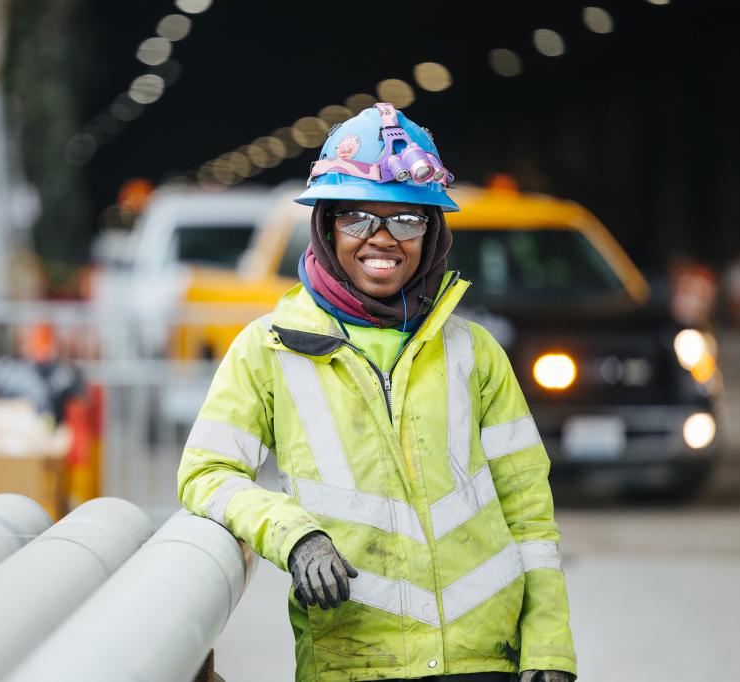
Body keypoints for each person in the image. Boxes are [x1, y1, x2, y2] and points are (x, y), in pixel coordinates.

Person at [178, 104, 577, 681]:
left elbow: (530, 519)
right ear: (326, 224)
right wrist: (296, 537)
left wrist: (548, 648)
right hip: (354, 661)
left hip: (483, 660)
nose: (382, 240)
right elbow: (206, 474)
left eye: (406, 221)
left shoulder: (474, 351)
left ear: (432, 229)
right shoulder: (269, 350)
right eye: (358, 219)